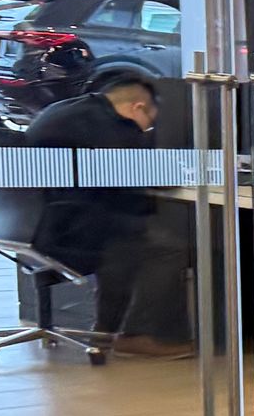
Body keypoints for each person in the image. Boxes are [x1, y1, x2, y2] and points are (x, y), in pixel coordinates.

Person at [24, 69, 192, 359]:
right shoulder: (107, 126)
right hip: (68, 225)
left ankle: (105, 331)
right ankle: (137, 335)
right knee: (167, 248)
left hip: (35, 221)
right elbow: (155, 176)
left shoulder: (70, 110)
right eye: (148, 123)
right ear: (136, 107)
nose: (146, 129)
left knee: (131, 233)